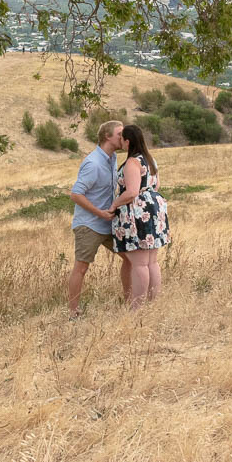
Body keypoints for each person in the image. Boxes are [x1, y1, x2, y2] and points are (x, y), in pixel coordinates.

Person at [67, 120, 130, 318]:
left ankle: (129, 302)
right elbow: (76, 194)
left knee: (130, 258)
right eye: (120, 133)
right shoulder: (93, 163)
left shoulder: (111, 159)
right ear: (107, 137)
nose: (124, 136)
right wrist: (100, 213)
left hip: (107, 223)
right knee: (82, 267)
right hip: (89, 224)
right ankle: (73, 312)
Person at [109, 124, 170, 309]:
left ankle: (137, 308)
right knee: (151, 260)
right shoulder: (150, 159)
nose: (120, 142)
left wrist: (114, 205)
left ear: (127, 141)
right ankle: (151, 304)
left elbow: (132, 192)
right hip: (155, 208)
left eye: (122, 139)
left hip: (138, 214)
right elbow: (156, 186)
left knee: (140, 263)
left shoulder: (132, 162)